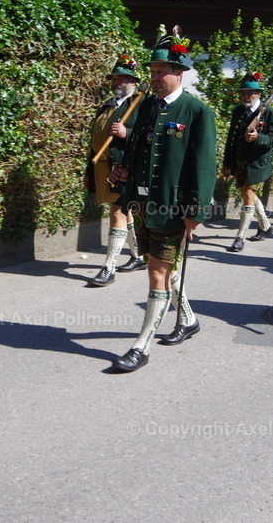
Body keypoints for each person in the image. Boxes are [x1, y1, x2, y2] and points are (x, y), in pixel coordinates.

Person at [109, 27, 216, 372]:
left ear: (178, 72)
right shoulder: (145, 107)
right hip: (141, 204)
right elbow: (137, 148)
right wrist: (122, 170)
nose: (153, 77)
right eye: (151, 72)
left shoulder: (197, 112)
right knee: (161, 268)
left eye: (160, 72)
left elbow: (203, 166)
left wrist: (195, 213)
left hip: (172, 208)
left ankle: (141, 347)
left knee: (156, 272)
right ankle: (188, 320)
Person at [85, 56, 146, 286]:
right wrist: (87, 172)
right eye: (115, 78)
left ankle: (108, 267)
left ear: (133, 82)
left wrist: (126, 133)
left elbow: (150, 140)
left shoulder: (141, 106)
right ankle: (138, 255)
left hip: (124, 169)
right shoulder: (106, 106)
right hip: (102, 169)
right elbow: (94, 142)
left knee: (117, 212)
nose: (117, 82)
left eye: (123, 78)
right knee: (125, 211)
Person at [222, 72, 273, 251]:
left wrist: (257, 137)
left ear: (259, 94)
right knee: (248, 194)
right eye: (244, 93)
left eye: (250, 93)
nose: (246, 96)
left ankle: (240, 237)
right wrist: (227, 163)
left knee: (247, 195)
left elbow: (272, 139)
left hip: (257, 164)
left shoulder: (269, 113)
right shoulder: (238, 111)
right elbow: (231, 138)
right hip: (239, 161)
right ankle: (267, 227)